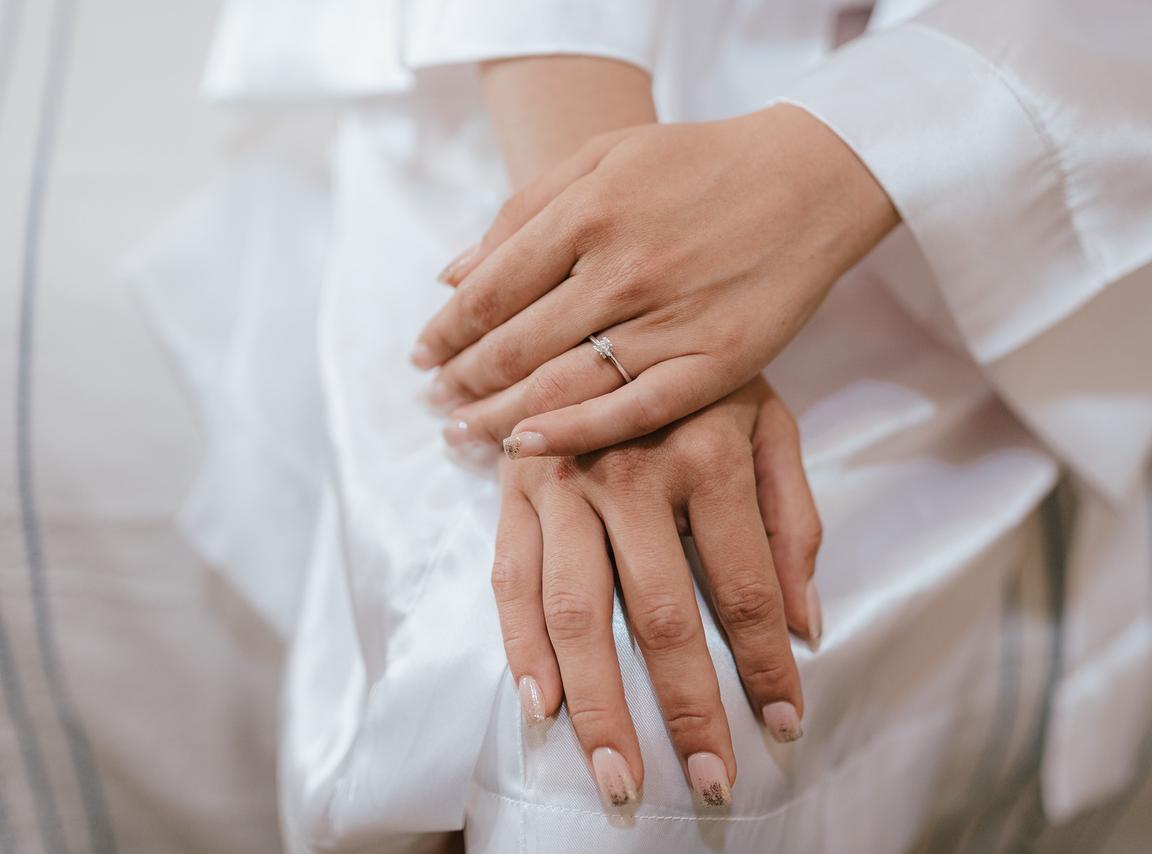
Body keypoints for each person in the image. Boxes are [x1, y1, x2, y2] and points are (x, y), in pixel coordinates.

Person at [162, 0, 1152, 850]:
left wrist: (847, 157)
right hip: (566, 62)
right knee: (537, 661)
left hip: (977, 119)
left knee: (636, 708)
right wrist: (601, 256)